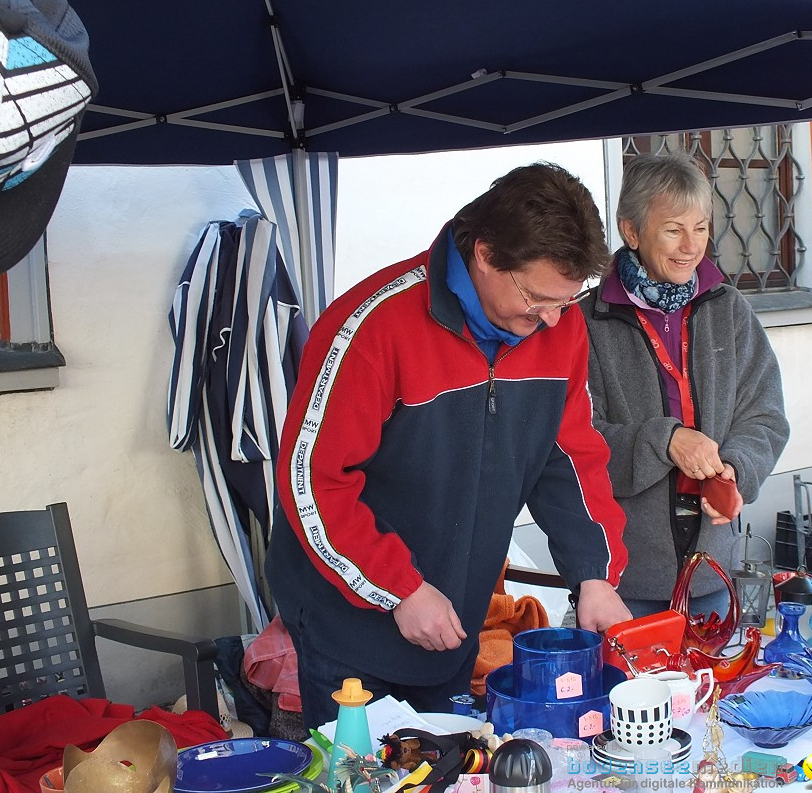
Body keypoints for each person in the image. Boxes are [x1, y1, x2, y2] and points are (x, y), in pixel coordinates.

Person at [267, 162, 631, 728]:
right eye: (537, 299)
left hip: (454, 626)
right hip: (351, 625)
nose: (554, 319)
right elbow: (312, 481)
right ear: (485, 255)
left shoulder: (558, 329)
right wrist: (400, 589)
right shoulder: (371, 327)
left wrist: (595, 575)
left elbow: (571, 460)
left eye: (567, 300)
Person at [581, 152, 789, 619]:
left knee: (712, 689)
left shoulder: (728, 309)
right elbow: (573, 440)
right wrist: (665, 440)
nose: (690, 246)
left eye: (701, 227)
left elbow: (765, 414)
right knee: (635, 693)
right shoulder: (587, 322)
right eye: (673, 229)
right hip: (625, 576)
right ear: (631, 231)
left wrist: (737, 467)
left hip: (714, 567)